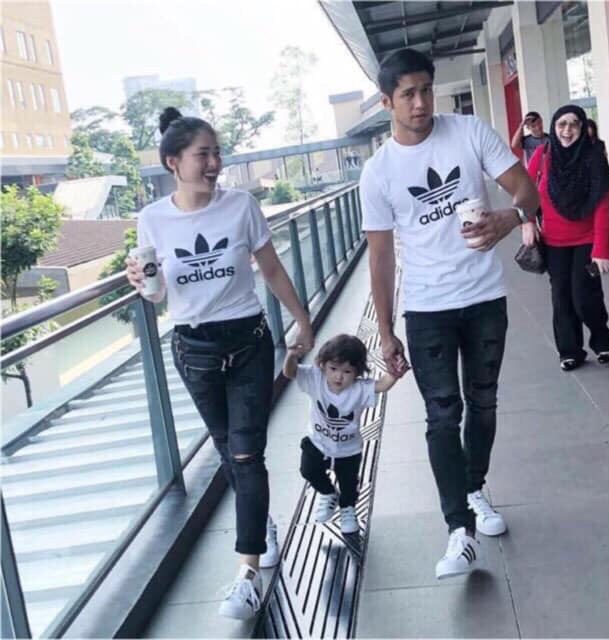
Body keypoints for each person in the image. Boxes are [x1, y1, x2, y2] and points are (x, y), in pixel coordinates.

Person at [124, 107, 314, 621]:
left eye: (216, 153)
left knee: (248, 455)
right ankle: (261, 524)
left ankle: (247, 573)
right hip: (194, 350)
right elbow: (157, 295)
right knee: (231, 452)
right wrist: (141, 281)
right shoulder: (152, 219)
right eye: (202, 155)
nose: (214, 163)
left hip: (249, 339)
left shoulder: (241, 206)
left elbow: (270, 267)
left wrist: (303, 319)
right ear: (173, 163)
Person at [359, 48, 539, 580]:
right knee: (442, 414)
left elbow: (526, 190)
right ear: (387, 101)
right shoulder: (378, 172)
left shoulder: (469, 132)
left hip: (484, 297)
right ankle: (458, 530)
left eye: (425, 90)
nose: (420, 103)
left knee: (483, 403)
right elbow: (381, 254)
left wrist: (510, 219)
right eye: (408, 95)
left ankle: (474, 486)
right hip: (428, 310)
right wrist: (386, 330)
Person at [522, 105, 609, 371]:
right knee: (561, 297)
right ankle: (570, 351)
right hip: (553, 241)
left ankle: (603, 340)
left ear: (582, 127)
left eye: (574, 124)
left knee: (584, 297)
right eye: (562, 124)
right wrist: (528, 222)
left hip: (587, 240)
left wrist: (603, 249)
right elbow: (525, 191)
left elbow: (602, 206)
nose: (567, 130)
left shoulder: (593, 158)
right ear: (553, 127)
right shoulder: (543, 156)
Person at [283, 334, 405, 534]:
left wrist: (395, 373)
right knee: (308, 470)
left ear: (357, 372)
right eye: (333, 369)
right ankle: (328, 492)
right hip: (317, 442)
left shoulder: (360, 388)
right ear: (323, 365)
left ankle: (348, 509)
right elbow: (290, 373)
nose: (338, 376)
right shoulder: (315, 378)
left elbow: (382, 385)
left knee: (349, 485)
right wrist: (291, 356)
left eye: (347, 371)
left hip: (348, 450)